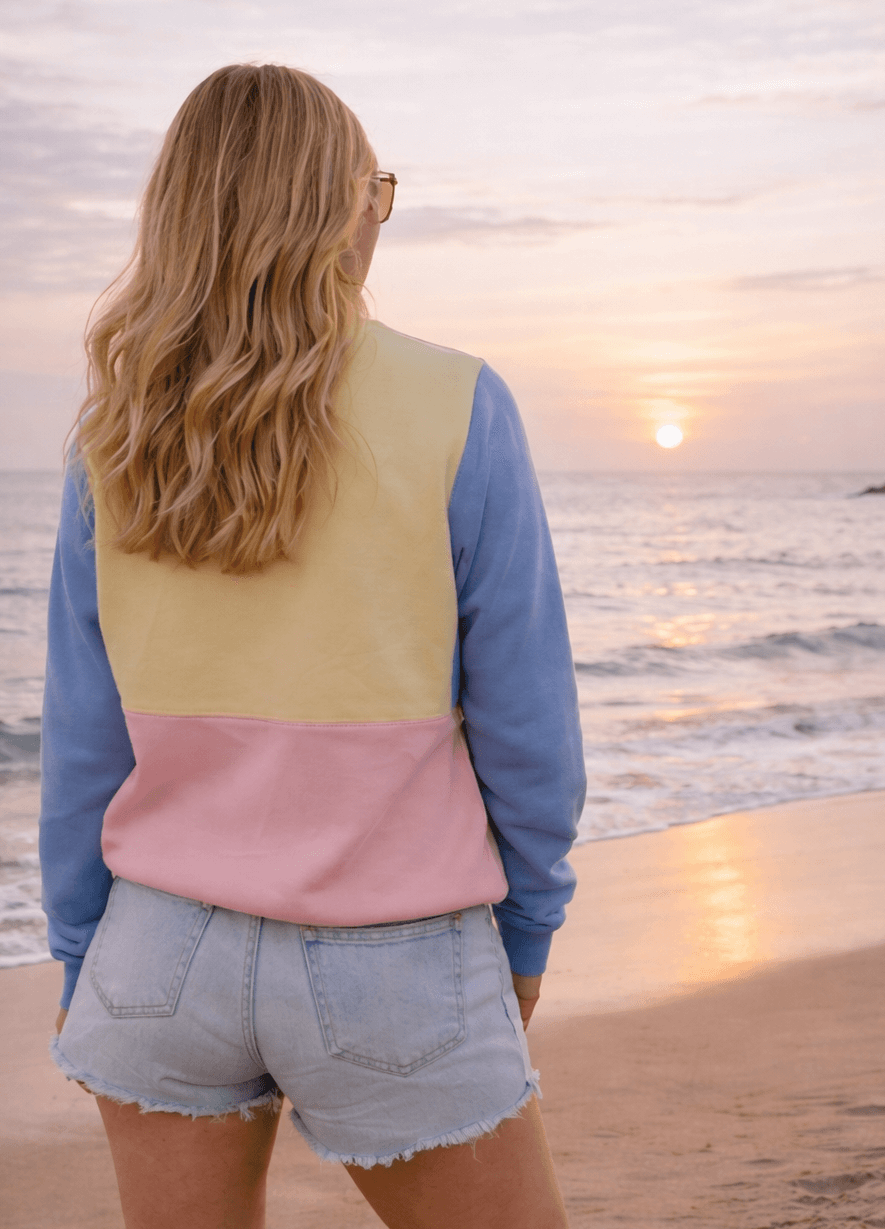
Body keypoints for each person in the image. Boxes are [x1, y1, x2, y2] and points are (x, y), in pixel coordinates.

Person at [41, 63, 586, 1229]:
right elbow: (526, 720)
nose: (377, 216)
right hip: (395, 956)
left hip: (154, 951)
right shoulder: (457, 402)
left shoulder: (115, 430)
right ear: (338, 206)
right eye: (373, 190)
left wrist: (81, 950)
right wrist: (529, 923)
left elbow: (83, 737)